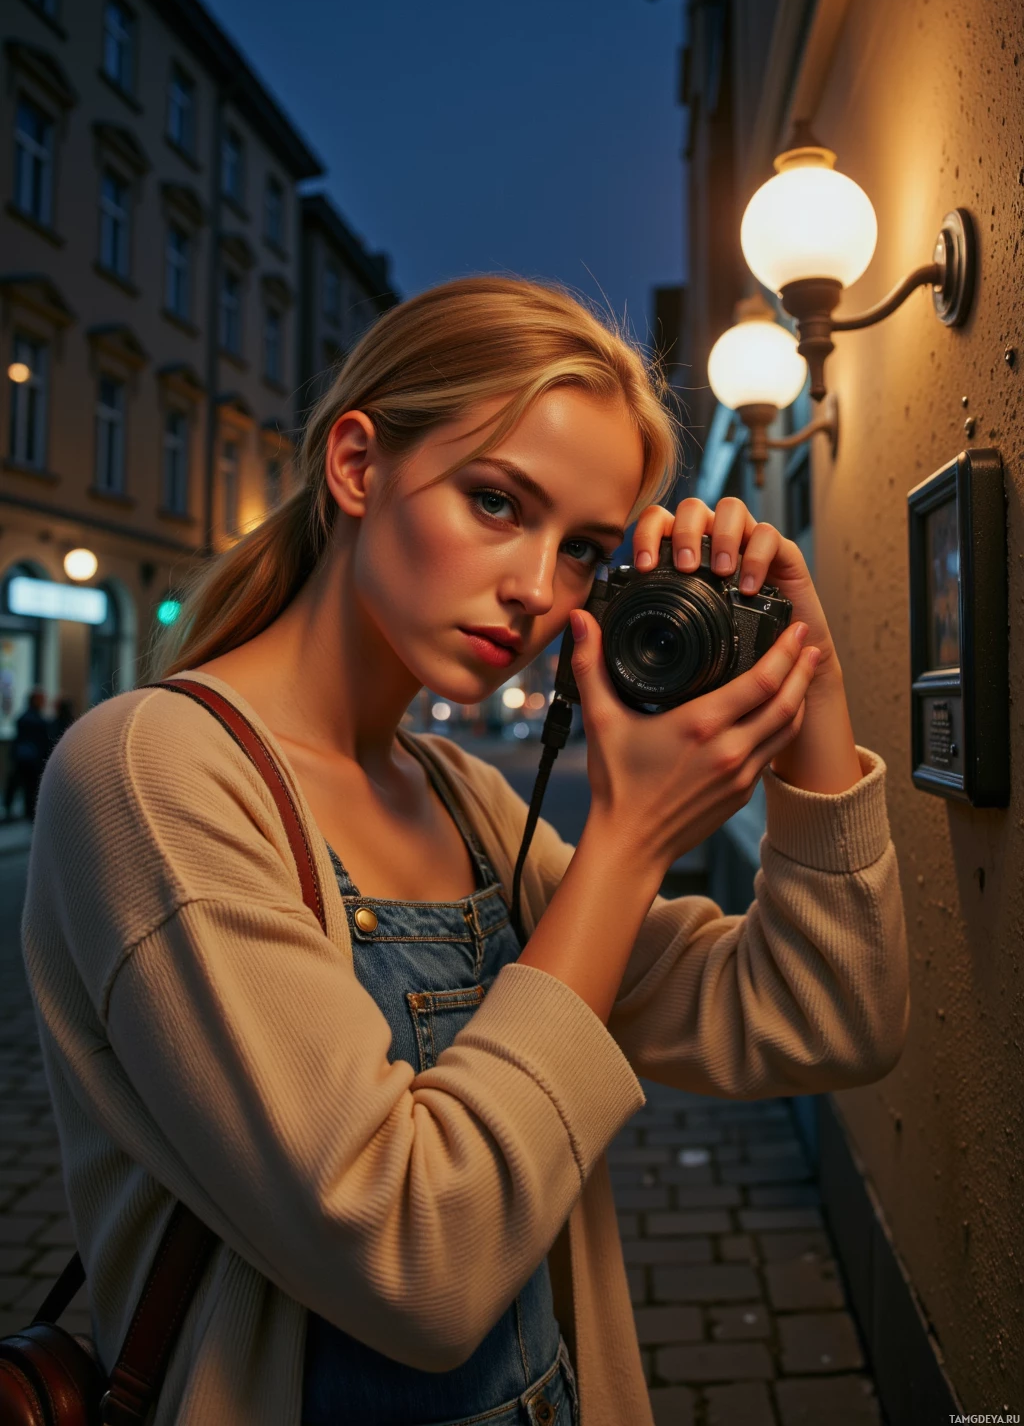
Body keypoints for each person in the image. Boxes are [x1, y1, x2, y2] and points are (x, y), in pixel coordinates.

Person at [21, 277, 909, 1426]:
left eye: (585, 550)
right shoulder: (151, 773)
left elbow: (824, 1015)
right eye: (496, 503)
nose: (537, 591)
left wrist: (811, 695)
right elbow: (413, 1263)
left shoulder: (461, 797)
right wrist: (630, 840)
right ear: (356, 464)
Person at [4, 687, 50, 820]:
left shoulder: (22, 718)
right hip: (33, 759)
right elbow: (42, 742)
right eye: (42, 700)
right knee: (31, 788)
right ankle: (29, 814)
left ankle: (15, 811)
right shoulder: (39, 721)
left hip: (21, 757)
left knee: (20, 786)